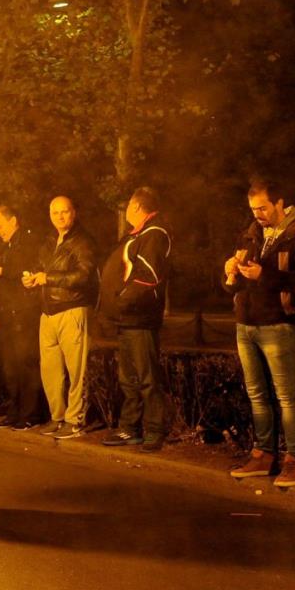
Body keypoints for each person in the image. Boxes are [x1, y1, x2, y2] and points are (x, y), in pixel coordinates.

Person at [224, 175, 295, 488]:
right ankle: (263, 454)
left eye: (263, 207)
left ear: (280, 203)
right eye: (253, 208)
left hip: (279, 324)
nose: (258, 213)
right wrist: (231, 271)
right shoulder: (251, 233)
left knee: (286, 396)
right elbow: (242, 279)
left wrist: (264, 275)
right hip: (247, 322)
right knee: (256, 394)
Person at [99, 187, 172, 452]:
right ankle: (131, 428)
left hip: (139, 318)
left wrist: (121, 299)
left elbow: (147, 276)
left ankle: (154, 429)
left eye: (129, 205)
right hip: (127, 319)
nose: (126, 210)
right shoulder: (138, 234)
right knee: (129, 378)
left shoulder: (154, 234)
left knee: (147, 376)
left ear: (138, 207)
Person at [23, 196, 97, 440]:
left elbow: (83, 276)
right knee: (51, 370)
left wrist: (49, 278)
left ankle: (75, 420)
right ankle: (57, 416)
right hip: (48, 312)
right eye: (55, 212)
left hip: (72, 309)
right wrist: (32, 278)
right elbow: (42, 269)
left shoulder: (83, 241)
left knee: (77, 369)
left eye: (65, 212)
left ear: (73, 213)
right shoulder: (49, 241)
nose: (60, 216)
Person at [0, 206, 46, 430]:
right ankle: (15, 410)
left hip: (24, 313)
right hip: (8, 314)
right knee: (10, 367)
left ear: (13, 221)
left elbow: (25, 269)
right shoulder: (4, 246)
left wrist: (4, 271)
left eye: (0, 226)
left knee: (26, 364)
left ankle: (32, 413)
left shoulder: (28, 242)